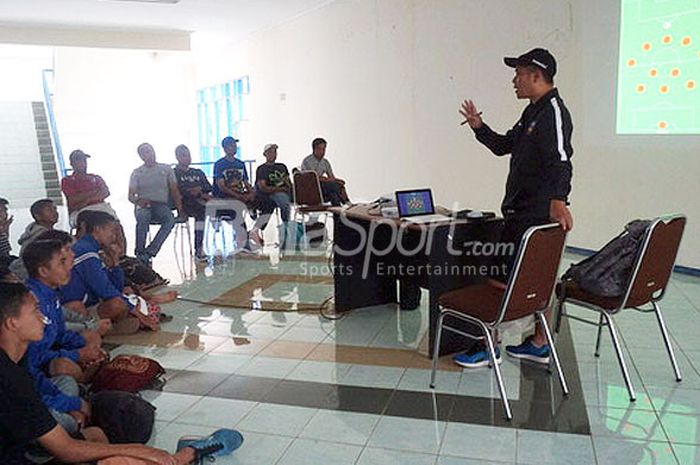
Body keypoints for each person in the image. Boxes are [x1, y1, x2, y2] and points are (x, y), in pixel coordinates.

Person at [0, 281, 244, 465]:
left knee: (99, 432)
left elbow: (42, 392)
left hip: (29, 446)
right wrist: (137, 450)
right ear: (12, 322)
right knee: (121, 460)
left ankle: (185, 454)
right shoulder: (9, 379)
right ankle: (187, 455)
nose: (43, 318)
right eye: (35, 311)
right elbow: (65, 448)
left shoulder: (16, 360)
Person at [456, 47, 574, 368]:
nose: (514, 80)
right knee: (536, 279)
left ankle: (488, 344)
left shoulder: (554, 112)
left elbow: (562, 159)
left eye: (519, 74)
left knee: (501, 277)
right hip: (520, 213)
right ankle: (538, 343)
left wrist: (559, 199)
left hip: (533, 218)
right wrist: (479, 126)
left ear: (537, 76)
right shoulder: (532, 113)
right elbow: (503, 146)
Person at [60, 211, 143, 333]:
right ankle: (100, 329)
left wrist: (115, 263)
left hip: (90, 303)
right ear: (98, 229)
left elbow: (116, 288)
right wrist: (134, 310)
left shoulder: (96, 251)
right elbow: (105, 290)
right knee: (118, 304)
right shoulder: (86, 251)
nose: (114, 236)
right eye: (112, 230)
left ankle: (107, 326)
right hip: (74, 308)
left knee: (124, 298)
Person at [128, 143, 184, 263]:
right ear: (141, 156)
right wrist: (138, 201)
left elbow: (174, 190)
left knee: (169, 219)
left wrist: (180, 210)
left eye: (151, 150)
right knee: (143, 217)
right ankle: (139, 252)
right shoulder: (137, 172)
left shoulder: (166, 169)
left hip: (160, 204)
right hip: (143, 204)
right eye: (146, 152)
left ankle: (150, 251)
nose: (150, 154)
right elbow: (131, 196)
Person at [211, 136, 262, 251]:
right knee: (236, 207)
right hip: (225, 196)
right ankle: (243, 241)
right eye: (232, 145)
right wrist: (238, 196)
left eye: (235, 145)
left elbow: (245, 181)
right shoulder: (219, 164)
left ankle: (253, 229)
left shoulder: (240, 164)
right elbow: (221, 186)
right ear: (225, 148)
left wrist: (251, 192)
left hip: (240, 193)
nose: (234, 148)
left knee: (264, 202)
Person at [174, 144, 213, 261]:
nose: (187, 158)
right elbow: (179, 190)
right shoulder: (174, 173)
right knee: (202, 212)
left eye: (188, 155)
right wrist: (196, 192)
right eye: (184, 155)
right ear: (178, 157)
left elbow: (208, 187)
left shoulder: (198, 172)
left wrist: (199, 190)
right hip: (186, 204)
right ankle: (198, 248)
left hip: (202, 200)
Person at [61, 149, 118, 227]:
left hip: (101, 207)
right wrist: (94, 192)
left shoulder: (95, 177)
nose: (82, 163)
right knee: (90, 222)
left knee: (115, 224)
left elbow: (105, 192)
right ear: (71, 163)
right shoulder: (67, 180)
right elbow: (73, 199)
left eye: (84, 160)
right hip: (80, 210)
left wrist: (87, 200)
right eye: (78, 160)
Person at [255, 143, 292, 247]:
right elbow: (263, 187)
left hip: (283, 192)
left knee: (287, 198)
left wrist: (290, 188)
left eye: (275, 152)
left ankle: (288, 229)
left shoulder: (282, 167)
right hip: (270, 193)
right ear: (265, 154)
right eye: (270, 152)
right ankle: (286, 228)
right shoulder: (262, 169)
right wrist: (280, 189)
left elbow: (288, 182)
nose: (273, 154)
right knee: (283, 200)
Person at [300, 137, 349, 206]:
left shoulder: (325, 162)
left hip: (324, 188)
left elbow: (331, 177)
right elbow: (311, 178)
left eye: (324, 149)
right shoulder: (307, 161)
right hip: (312, 189)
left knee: (334, 192)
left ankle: (338, 213)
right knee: (333, 186)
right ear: (314, 149)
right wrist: (326, 179)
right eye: (320, 149)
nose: (323, 151)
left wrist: (338, 181)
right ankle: (346, 202)